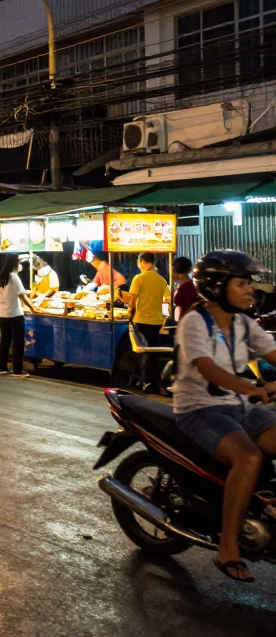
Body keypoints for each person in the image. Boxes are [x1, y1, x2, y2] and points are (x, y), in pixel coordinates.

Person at [172, 250, 276, 584]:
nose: (250, 290)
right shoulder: (194, 322)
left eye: (250, 284)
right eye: (242, 284)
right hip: (199, 408)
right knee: (248, 458)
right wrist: (252, 389)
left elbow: (273, 352)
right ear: (217, 286)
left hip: (239, 408)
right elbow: (209, 369)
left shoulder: (244, 323)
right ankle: (228, 547)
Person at [0, 255, 36, 377]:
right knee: (18, 342)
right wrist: (33, 308)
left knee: (5, 340)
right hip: (14, 314)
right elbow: (22, 295)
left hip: (1, 314)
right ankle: (17, 370)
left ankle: (1, 368)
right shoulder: (13, 277)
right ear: (15, 263)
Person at [126, 252, 169, 346]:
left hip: (141, 321)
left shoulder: (138, 278)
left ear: (141, 261)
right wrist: (165, 318)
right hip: (157, 322)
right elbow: (166, 302)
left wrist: (129, 317)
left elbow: (132, 302)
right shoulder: (162, 280)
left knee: (142, 350)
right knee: (154, 349)